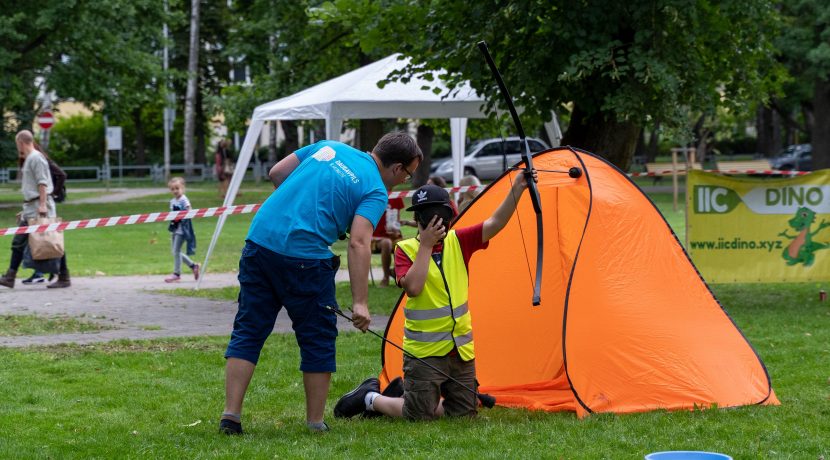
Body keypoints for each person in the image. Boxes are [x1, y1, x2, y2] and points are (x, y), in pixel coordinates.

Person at [219, 132, 422, 435]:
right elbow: (359, 242)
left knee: (249, 329)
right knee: (318, 338)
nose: (405, 180)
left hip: (260, 241)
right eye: (408, 173)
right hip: (306, 260)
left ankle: (230, 417)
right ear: (396, 168)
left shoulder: (329, 146)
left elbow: (277, 173)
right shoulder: (376, 190)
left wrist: (299, 207)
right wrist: (361, 303)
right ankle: (314, 423)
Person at [332, 169, 537, 421]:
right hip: (424, 353)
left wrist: (517, 188)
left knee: (463, 415)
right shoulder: (405, 250)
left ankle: (409, 395)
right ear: (418, 220)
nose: (436, 222)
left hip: (460, 352)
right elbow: (414, 287)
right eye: (430, 217)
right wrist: (426, 245)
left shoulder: (459, 241)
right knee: (418, 416)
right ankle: (371, 398)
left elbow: (494, 223)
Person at [0, 130, 71, 289]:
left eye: (17, 143)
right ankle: (10, 276)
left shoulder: (36, 158)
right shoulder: (30, 158)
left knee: (53, 241)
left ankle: (64, 276)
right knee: (19, 242)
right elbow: (32, 187)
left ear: (21, 142)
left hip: (38, 206)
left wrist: (42, 204)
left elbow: (42, 183)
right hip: (31, 207)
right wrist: (25, 209)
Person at [164, 177, 199, 283]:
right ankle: (194, 266)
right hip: (175, 228)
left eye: (177, 188)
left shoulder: (184, 199)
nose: (175, 191)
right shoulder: (172, 201)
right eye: (172, 189)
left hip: (182, 230)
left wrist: (187, 214)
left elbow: (189, 209)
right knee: (175, 251)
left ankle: (177, 274)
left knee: (176, 251)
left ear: (182, 188)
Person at [371, 197, 405, 287]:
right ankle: (385, 277)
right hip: (374, 238)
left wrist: (396, 231)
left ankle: (397, 273)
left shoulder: (397, 196)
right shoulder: (373, 194)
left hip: (391, 236)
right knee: (387, 243)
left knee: (402, 243)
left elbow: (396, 220)